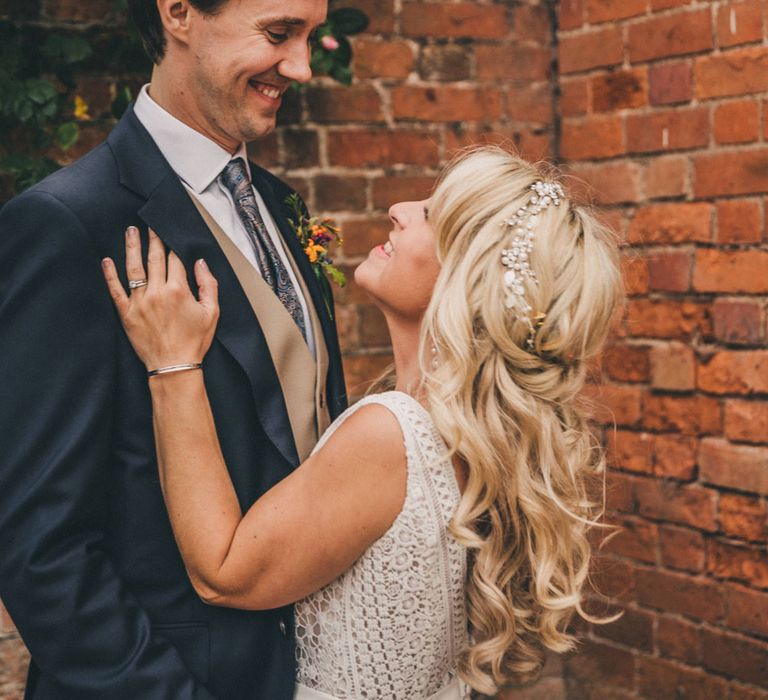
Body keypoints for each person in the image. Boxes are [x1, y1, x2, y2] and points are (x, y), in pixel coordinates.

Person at [101, 147, 625, 699]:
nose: (399, 208)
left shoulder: (392, 434)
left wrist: (173, 364)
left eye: (433, 214)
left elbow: (223, 572)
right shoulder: (475, 434)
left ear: (468, 277)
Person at [0, 0, 343, 697]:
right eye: (279, 34)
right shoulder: (69, 225)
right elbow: (42, 549)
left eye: (311, 37)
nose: (302, 66)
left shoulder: (281, 207)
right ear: (179, 11)